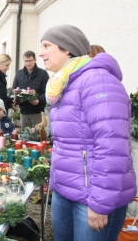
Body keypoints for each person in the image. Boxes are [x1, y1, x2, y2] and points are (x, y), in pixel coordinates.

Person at [39, 24, 136, 240]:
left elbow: (112, 147)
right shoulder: (63, 84)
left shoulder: (98, 81)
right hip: (66, 190)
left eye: (47, 45)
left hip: (93, 197)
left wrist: (101, 204)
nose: (41, 52)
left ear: (67, 48)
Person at [12, 51, 49, 129]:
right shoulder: (19, 74)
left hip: (37, 113)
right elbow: (14, 90)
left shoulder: (43, 74)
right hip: (23, 112)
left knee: (38, 136)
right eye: (26, 61)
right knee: (25, 136)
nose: (28, 64)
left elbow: (46, 92)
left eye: (30, 61)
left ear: (35, 60)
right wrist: (15, 99)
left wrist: (39, 100)